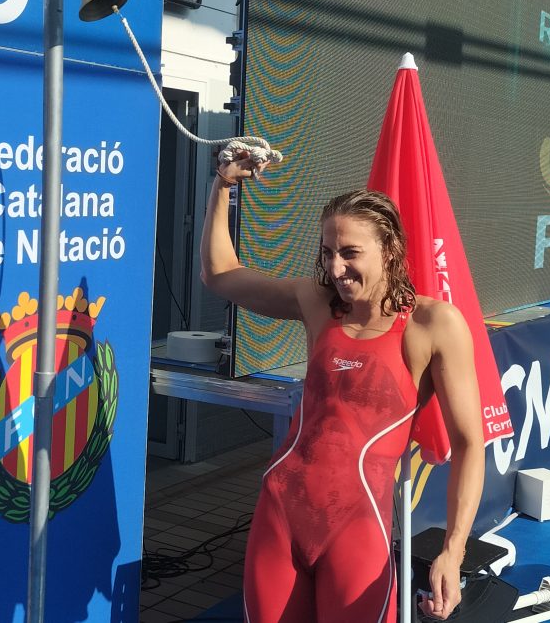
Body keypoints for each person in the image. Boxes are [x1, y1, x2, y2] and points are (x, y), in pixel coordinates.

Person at [200, 150, 485, 622]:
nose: (335, 268)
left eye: (350, 253)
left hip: (358, 530)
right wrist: (223, 185)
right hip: (280, 515)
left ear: (390, 249)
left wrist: (452, 553)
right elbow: (220, 275)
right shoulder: (318, 302)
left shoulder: (432, 325)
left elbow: (470, 444)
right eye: (328, 252)